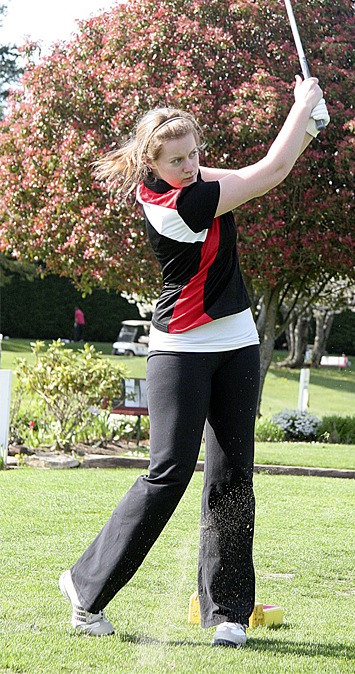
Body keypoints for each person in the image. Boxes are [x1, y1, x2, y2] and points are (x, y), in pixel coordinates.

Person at [59, 75, 328, 646]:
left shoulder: (199, 181)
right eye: (177, 159)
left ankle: (227, 612)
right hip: (180, 349)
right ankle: (85, 590)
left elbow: (265, 169)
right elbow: (267, 175)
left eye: (195, 155)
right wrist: (301, 109)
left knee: (234, 476)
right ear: (152, 165)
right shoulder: (178, 201)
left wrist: (305, 130)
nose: (190, 165)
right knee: (169, 473)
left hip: (236, 343)